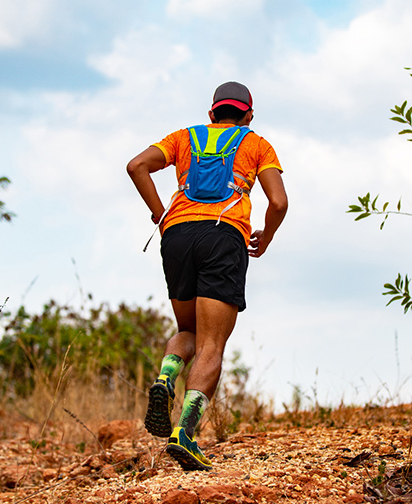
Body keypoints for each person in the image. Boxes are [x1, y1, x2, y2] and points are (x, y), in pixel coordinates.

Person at [126, 81, 288, 471]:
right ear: (248, 115)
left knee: (190, 333)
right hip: (223, 235)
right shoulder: (256, 144)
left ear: (211, 113)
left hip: (177, 236)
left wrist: (159, 212)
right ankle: (185, 434)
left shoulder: (184, 137)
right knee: (212, 343)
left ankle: (167, 376)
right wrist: (266, 235)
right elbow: (279, 201)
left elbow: (136, 166)